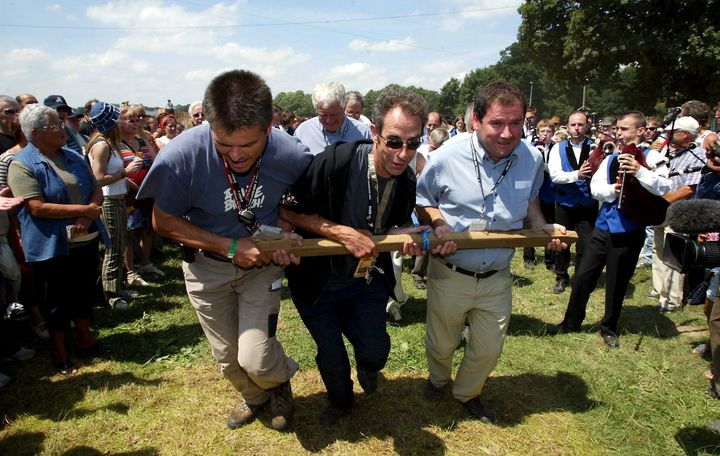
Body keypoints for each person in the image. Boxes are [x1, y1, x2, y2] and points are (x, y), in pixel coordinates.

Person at [137, 69, 312, 431]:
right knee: (228, 361)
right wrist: (231, 246)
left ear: (269, 127)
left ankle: (277, 384)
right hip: (206, 269)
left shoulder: (292, 154)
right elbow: (163, 221)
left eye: (247, 145)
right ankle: (256, 397)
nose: (235, 155)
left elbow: (300, 204)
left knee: (257, 357)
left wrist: (284, 233)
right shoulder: (180, 155)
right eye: (223, 144)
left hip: (261, 268)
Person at [415, 81, 566, 423]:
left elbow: (531, 203)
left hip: (498, 274)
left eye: (516, 123)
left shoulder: (532, 157)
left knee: (488, 348)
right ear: (476, 122)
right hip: (451, 270)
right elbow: (423, 200)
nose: (507, 133)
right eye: (497, 123)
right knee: (442, 343)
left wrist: (541, 226)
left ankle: (468, 392)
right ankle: (438, 381)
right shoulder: (446, 156)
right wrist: (439, 224)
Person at [280, 88, 428, 424]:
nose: (403, 154)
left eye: (413, 143)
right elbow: (288, 212)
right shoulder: (336, 161)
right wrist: (337, 231)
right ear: (374, 133)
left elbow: (394, 224)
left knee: (376, 352)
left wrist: (401, 235)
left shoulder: (406, 179)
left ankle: (366, 359)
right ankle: (340, 401)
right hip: (317, 283)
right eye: (393, 142)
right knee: (332, 353)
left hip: (365, 280)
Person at [547, 111, 671, 347]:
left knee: (617, 282)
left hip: (629, 230)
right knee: (583, 275)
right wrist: (612, 190)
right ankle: (571, 321)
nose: (619, 134)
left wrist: (640, 171)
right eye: (618, 129)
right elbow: (596, 188)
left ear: (641, 131)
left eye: (624, 129)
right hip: (603, 227)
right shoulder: (612, 156)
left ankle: (609, 327)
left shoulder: (652, 157)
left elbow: (665, 186)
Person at [8, 104, 110, 375]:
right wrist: (83, 211)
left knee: (83, 291)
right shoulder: (22, 165)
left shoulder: (73, 156)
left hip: (83, 239)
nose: (62, 128)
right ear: (36, 132)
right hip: (51, 246)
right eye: (55, 125)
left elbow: (95, 189)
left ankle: (86, 341)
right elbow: (37, 207)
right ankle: (60, 353)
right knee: (55, 300)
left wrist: (88, 216)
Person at [87, 102, 144, 310]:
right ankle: (110, 296)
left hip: (118, 199)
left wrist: (127, 181)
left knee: (119, 245)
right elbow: (98, 179)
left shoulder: (110, 144)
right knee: (113, 248)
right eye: (118, 119)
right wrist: (125, 173)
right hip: (109, 201)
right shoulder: (102, 145)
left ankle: (117, 288)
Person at [651, 116, 706, 312]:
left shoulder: (696, 155)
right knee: (658, 249)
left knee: (673, 254)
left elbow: (688, 189)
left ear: (685, 135)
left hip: (678, 210)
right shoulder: (671, 152)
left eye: (673, 132)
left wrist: (661, 202)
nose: (669, 136)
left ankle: (672, 299)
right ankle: (659, 289)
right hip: (662, 209)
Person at [548, 111, 598, 293]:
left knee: (586, 244)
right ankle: (561, 276)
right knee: (562, 242)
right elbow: (555, 175)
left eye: (580, 124)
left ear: (587, 126)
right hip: (564, 203)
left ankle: (580, 278)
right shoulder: (557, 148)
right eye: (573, 125)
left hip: (587, 203)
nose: (577, 128)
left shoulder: (595, 147)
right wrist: (577, 174)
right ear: (567, 127)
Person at [294, 82, 371, 155]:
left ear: (344, 108)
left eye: (334, 115)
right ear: (316, 110)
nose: (329, 120)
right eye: (323, 115)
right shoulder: (302, 132)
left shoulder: (363, 133)